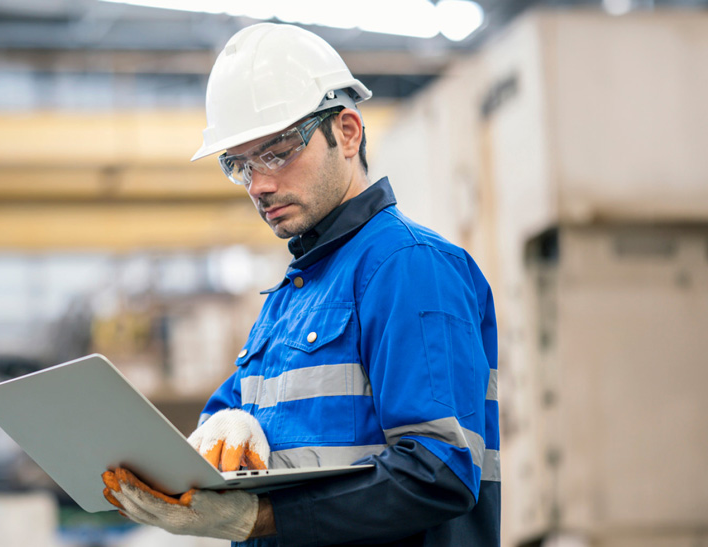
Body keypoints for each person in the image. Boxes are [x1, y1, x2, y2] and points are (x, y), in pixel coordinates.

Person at [101, 22, 500, 546]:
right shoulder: (292, 297)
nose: (259, 185)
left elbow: (438, 473)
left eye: (278, 151)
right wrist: (226, 426)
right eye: (239, 165)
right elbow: (231, 415)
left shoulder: (408, 267)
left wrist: (259, 520)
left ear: (348, 132)